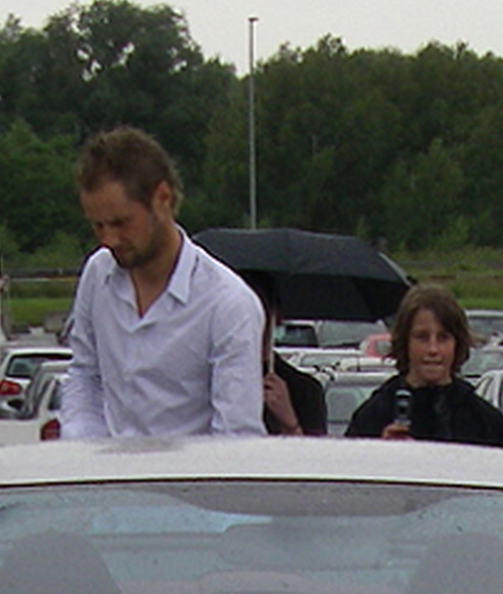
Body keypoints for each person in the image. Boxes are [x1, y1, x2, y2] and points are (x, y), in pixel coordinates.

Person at [61, 128, 264, 440]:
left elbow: (235, 437)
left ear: (162, 199)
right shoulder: (97, 273)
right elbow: (85, 376)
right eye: (97, 225)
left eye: (120, 223)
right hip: (104, 480)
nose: (108, 239)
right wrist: (81, 454)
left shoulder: (227, 304)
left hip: (188, 484)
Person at [343, 284, 503, 445]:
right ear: (405, 341)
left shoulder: (486, 421)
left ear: (457, 343)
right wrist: (380, 451)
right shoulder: (373, 417)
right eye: (422, 337)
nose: (433, 349)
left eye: (443, 338)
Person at [256, 293, 327, 436]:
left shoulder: (304, 390)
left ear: (276, 318)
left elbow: (314, 454)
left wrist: (289, 423)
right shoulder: (208, 382)